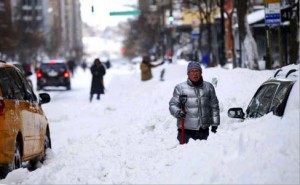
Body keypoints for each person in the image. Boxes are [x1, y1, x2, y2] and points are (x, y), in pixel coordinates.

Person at [169, 61, 220, 144]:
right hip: (185, 131)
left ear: (201, 73)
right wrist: (178, 112)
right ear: (188, 74)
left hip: (203, 130)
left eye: (197, 71)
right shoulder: (180, 88)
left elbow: (214, 106)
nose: (195, 74)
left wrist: (215, 124)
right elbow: (173, 105)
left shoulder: (209, 87)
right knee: (186, 155)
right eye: (192, 71)